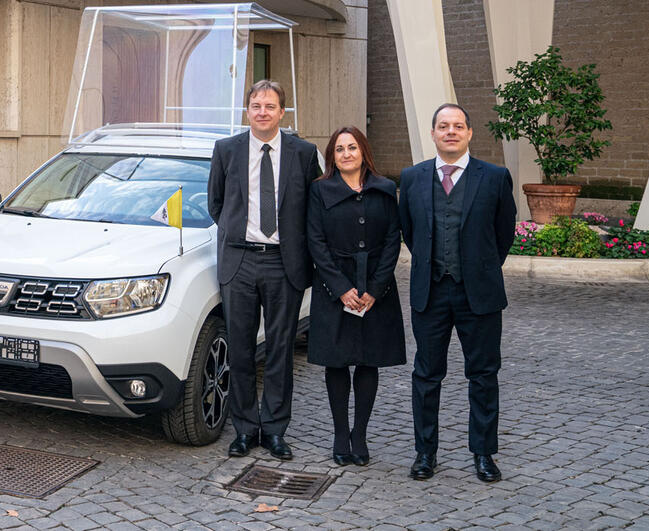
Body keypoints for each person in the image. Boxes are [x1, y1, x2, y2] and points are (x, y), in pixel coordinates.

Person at [399, 103, 515, 483]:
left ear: (469, 133)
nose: (451, 131)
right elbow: (410, 232)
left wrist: (479, 267)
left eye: (458, 126)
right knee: (426, 375)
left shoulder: (495, 177)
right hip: (430, 293)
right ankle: (425, 453)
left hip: (478, 295)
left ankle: (483, 453)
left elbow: (503, 234)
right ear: (433, 133)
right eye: (444, 126)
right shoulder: (412, 178)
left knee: (483, 375)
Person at [208, 79, 320, 459]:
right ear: (247, 111)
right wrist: (238, 234)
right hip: (239, 262)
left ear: (282, 112)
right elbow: (216, 204)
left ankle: (274, 430)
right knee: (240, 351)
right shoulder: (226, 150)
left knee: (280, 350)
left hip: (284, 264)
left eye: (270, 106)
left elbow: (312, 209)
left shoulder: (303, 154)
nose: (262, 112)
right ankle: (244, 429)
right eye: (256, 105)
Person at [306, 126, 405, 466]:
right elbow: (315, 241)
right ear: (332, 157)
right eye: (339, 149)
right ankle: (339, 434)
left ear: (363, 151)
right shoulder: (319, 190)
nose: (346, 154)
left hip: (376, 289)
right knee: (336, 361)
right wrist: (340, 288)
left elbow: (393, 240)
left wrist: (375, 288)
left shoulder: (385, 188)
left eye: (352, 147)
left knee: (367, 360)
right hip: (334, 289)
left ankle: (359, 434)